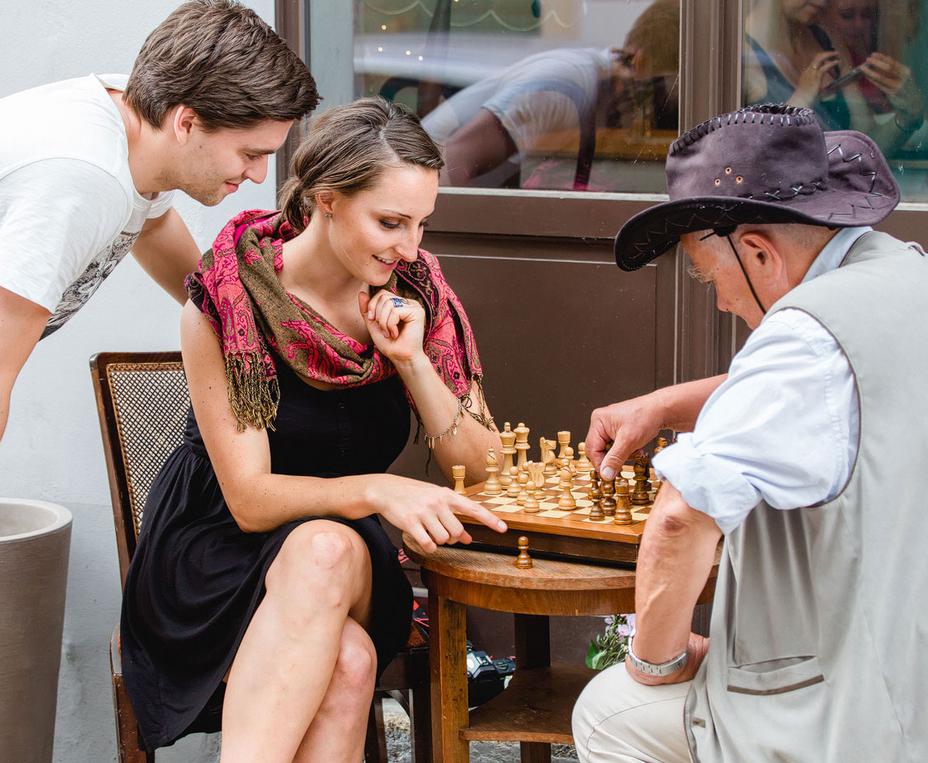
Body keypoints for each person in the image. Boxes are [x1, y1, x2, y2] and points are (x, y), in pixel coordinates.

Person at [0, 2, 318, 759]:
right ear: (188, 121)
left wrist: (250, 326)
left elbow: (153, 226)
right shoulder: (77, 178)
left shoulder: (134, 128)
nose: (259, 175)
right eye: (251, 152)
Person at [120, 97, 507, 760]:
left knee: (324, 552)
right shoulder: (229, 297)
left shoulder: (418, 292)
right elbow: (250, 498)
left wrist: (412, 362)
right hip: (215, 557)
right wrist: (383, 492)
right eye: (390, 221)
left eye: (421, 223)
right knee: (348, 664)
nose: (410, 246)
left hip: (343, 558)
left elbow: (485, 463)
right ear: (326, 200)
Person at [572, 103, 928, 761]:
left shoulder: (801, 335)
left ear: (758, 251)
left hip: (846, 717)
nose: (722, 303)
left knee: (608, 710)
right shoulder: (907, 275)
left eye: (714, 280)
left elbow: (680, 519)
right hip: (912, 678)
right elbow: (834, 391)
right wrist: (665, 405)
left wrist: (656, 659)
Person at [421, 0, 679, 191]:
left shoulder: (596, 81)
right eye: (661, 94)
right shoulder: (562, 88)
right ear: (640, 62)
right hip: (428, 184)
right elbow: (456, 158)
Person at [744, 0, 923, 149]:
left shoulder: (826, 39)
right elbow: (743, 158)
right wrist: (801, 100)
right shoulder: (739, 55)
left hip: (841, 189)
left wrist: (908, 115)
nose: (822, 2)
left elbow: (865, 147)